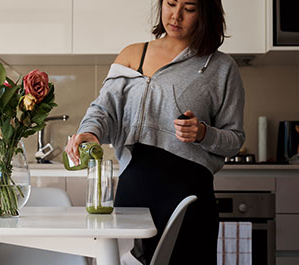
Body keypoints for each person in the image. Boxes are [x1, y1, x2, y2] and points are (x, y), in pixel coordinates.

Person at [65, 0, 245, 264]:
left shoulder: (221, 67)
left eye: (190, 8)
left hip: (189, 195)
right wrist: (89, 133)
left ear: (205, 14)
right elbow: (104, 110)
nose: (176, 15)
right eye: (170, 3)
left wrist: (203, 133)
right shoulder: (132, 55)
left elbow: (235, 140)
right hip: (135, 189)